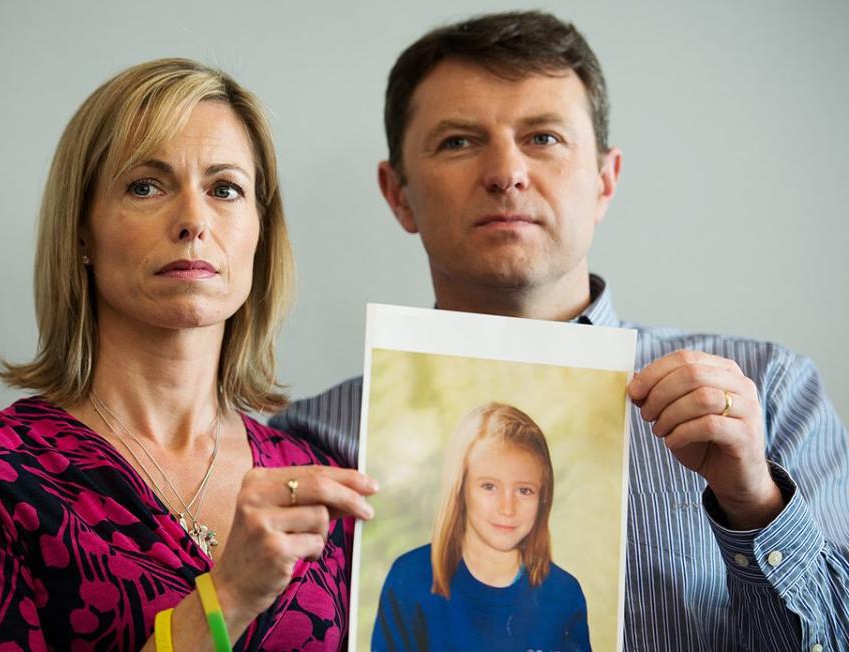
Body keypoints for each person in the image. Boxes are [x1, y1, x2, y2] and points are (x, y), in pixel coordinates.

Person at [271, 11, 849, 650]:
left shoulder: (770, 391)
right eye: (459, 141)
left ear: (605, 180)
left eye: (543, 137)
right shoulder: (308, 446)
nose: (506, 172)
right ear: (398, 194)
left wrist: (756, 503)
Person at [0, 58, 377, 651]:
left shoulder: (313, 475)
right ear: (81, 232)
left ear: (261, 231)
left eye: (225, 189)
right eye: (145, 186)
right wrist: (224, 599)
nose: (194, 221)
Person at [372, 403, 590, 652]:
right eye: (489, 486)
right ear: (460, 489)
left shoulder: (564, 594)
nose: (507, 508)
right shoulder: (409, 578)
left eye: (524, 490)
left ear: (543, 496)